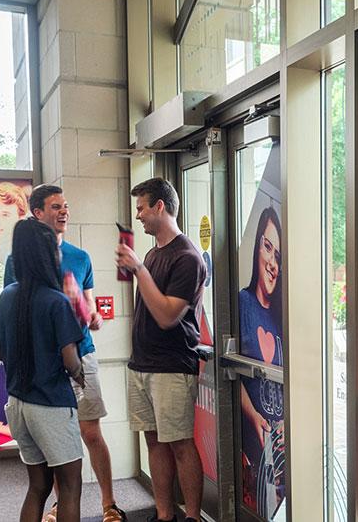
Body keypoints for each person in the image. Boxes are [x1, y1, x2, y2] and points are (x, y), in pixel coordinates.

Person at [4, 184, 125, 522]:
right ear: (37, 213)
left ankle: (108, 504)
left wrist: (92, 315)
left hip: (79, 353)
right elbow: (15, 311)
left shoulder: (80, 257)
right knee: (57, 451)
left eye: (66, 205)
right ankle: (62, 505)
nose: (64, 212)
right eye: (55, 206)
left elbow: (87, 307)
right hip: (48, 363)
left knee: (89, 433)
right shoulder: (18, 261)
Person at [115, 177, 207, 522]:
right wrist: (138, 268)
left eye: (141, 208)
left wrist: (139, 269)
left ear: (160, 207)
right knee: (153, 442)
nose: (138, 216)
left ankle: (193, 517)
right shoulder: (153, 253)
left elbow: (168, 315)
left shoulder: (187, 257)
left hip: (171, 367)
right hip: (142, 365)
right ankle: (165, 515)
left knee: (180, 444)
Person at [0, 218, 87, 522]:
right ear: (47, 254)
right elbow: (70, 358)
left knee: (37, 487)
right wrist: (80, 376)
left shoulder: (7, 295)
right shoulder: (56, 301)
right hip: (51, 404)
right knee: (70, 487)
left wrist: (23, 355)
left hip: (18, 404)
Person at [237, 207, 285, 516]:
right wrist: (254, 416)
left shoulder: (282, 314)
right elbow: (231, 369)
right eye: (267, 246)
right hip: (254, 437)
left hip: (283, 440)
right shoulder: (243, 302)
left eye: (278, 255)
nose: (272, 262)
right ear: (256, 247)